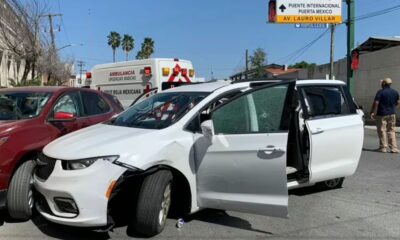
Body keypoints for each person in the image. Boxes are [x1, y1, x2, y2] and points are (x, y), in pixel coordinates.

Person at [370, 78, 399, 153]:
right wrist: (392, 107)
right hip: (392, 114)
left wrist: (373, 112)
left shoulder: (380, 92)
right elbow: (398, 102)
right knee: (391, 130)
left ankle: (383, 147)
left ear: (383, 84)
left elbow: (376, 103)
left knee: (382, 130)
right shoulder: (395, 92)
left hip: (382, 114)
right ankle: (394, 148)